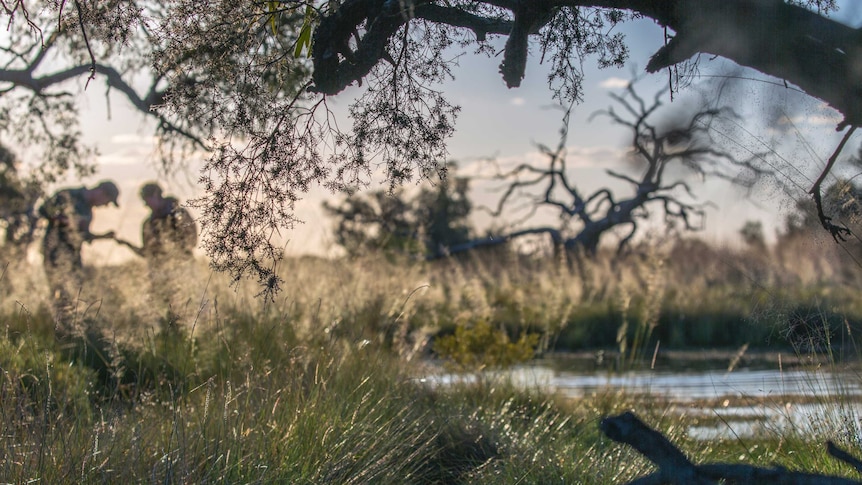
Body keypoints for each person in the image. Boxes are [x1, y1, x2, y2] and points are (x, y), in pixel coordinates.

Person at [39, 180, 119, 329]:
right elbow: (43, 209)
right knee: (57, 289)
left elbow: (83, 236)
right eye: (107, 202)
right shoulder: (68, 194)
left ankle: (71, 328)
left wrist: (103, 236)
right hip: (54, 252)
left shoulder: (89, 212)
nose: (105, 206)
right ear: (101, 192)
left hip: (74, 256)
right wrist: (62, 220)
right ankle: (56, 328)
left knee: (76, 290)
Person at [119, 182, 197, 311]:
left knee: (188, 306)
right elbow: (146, 253)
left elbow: (192, 241)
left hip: (182, 270)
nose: (146, 204)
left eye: (147, 199)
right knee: (162, 309)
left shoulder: (179, 214)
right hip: (158, 275)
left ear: (156, 195)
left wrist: (173, 253)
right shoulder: (148, 224)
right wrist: (126, 244)